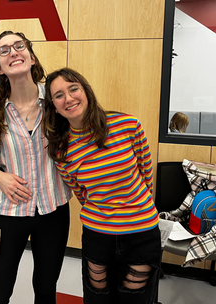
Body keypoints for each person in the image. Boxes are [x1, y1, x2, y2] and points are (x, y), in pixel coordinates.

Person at [43, 67, 161, 304]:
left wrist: (131, 209)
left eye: (73, 88)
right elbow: (81, 193)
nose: (68, 98)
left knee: (135, 299)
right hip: (98, 235)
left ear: (85, 90)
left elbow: (146, 175)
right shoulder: (61, 149)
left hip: (141, 231)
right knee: (98, 298)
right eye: (58, 95)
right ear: (53, 106)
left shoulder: (127, 125)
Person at [0, 31, 72, 304]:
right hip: (6, 213)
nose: (13, 52)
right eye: (4, 50)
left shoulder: (57, 102)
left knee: (45, 289)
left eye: (19, 46)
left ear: (31, 57)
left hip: (54, 210)